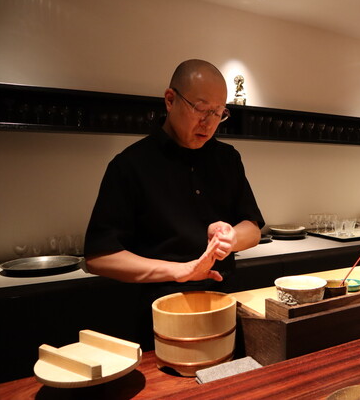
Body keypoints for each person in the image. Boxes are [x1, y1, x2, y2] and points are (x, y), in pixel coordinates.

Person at [84, 59, 264, 293]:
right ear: (170, 100)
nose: (209, 123)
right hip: (159, 300)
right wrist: (180, 271)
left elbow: (252, 228)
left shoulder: (227, 158)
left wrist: (231, 238)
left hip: (223, 295)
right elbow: (99, 257)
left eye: (218, 113)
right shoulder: (130, 164)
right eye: (200, 109)